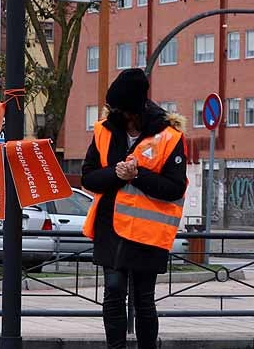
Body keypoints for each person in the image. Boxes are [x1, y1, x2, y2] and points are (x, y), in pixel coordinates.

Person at [82, 68, 188, 349]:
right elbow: (88, 177)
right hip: (110, 228)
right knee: (113, 291)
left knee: (143, 298)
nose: (117, 114)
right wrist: (117, 174)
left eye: (122, 109)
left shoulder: (169, 136)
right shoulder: (105, 130)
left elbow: (175, 187)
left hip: (148, 233)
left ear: (135, 108)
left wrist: (138, 175)